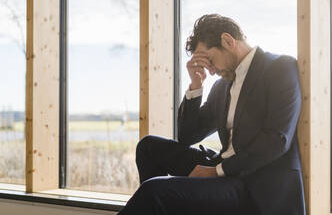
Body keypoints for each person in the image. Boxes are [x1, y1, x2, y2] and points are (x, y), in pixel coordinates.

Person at [117, 14, 306, 215]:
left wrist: (216, 171)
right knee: (148, 147)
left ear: (227, 41)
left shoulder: (279, 68)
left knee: (154, 189)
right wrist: (196, 86)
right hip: (222, 166)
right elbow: (188, 136)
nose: (211, 71)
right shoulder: (222, 86)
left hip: (254, 183)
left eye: (210, 60)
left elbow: (277, 140)